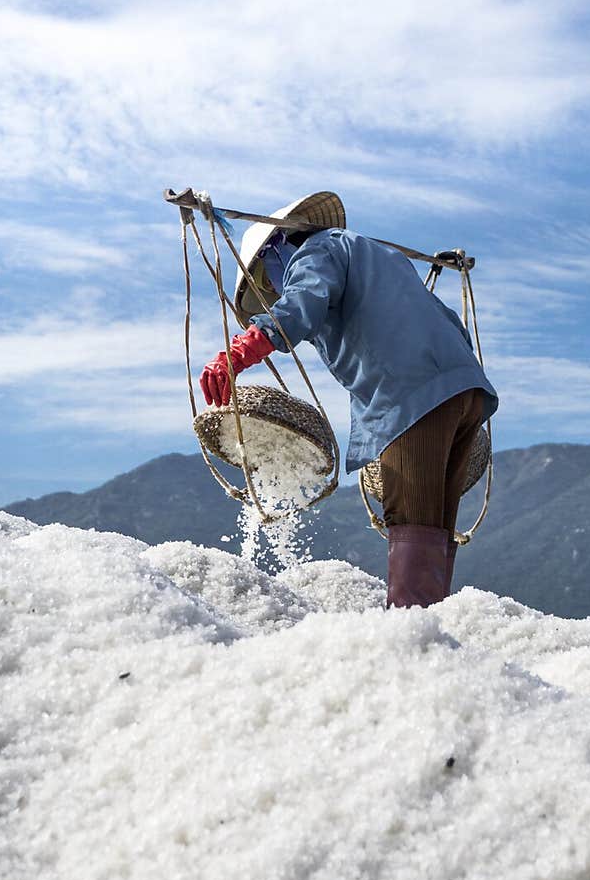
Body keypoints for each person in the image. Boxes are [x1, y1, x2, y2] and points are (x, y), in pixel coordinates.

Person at [200, 191, 499, 609]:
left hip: (412, 396)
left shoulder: (315, 252)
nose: (271, 287)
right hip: (463, 390)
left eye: (266, 279)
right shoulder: (375, 257)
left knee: (410, 517)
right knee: (435, 526)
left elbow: (300, 305)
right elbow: (446, 321)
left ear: (276, 251)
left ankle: (409, 634)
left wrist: (239, 352)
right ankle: (434, 630)